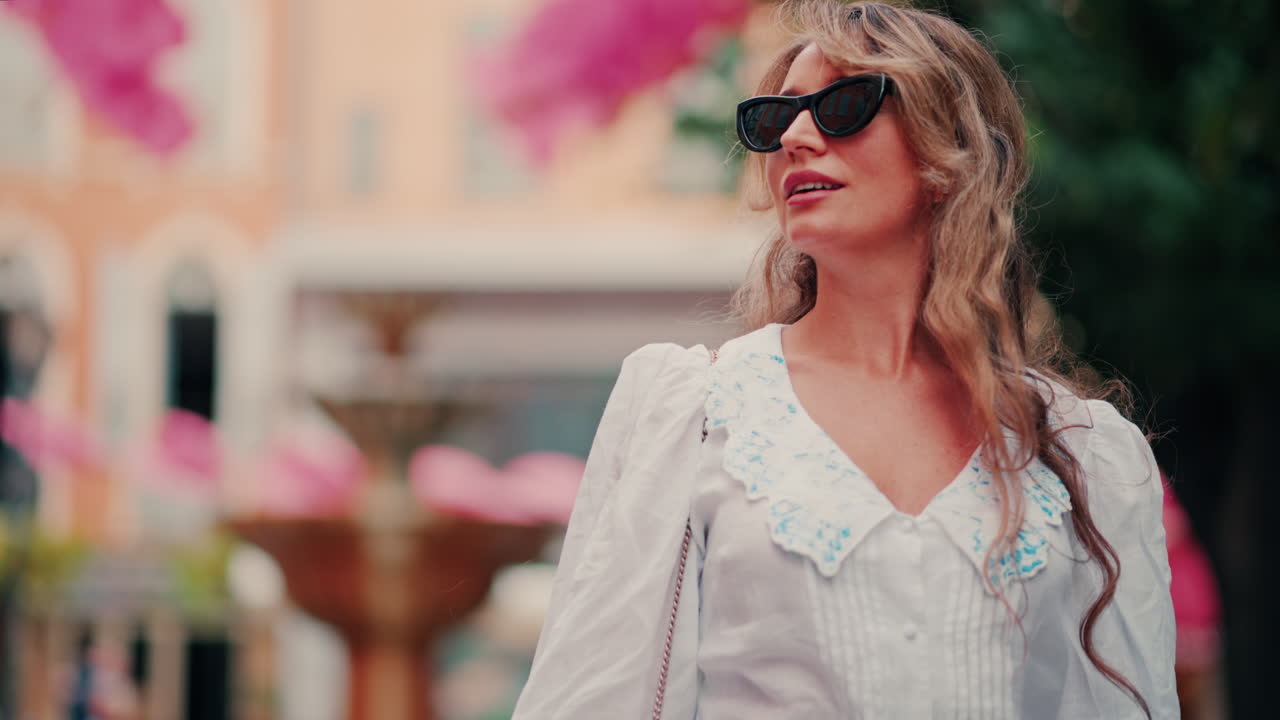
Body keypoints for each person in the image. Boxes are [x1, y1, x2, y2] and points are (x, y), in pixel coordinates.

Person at [512, 1, 1177, 718]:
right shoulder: (695, 413)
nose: (795, 137)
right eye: (775, 118)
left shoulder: (1082, 455)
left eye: (845, 105)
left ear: (946, 158)